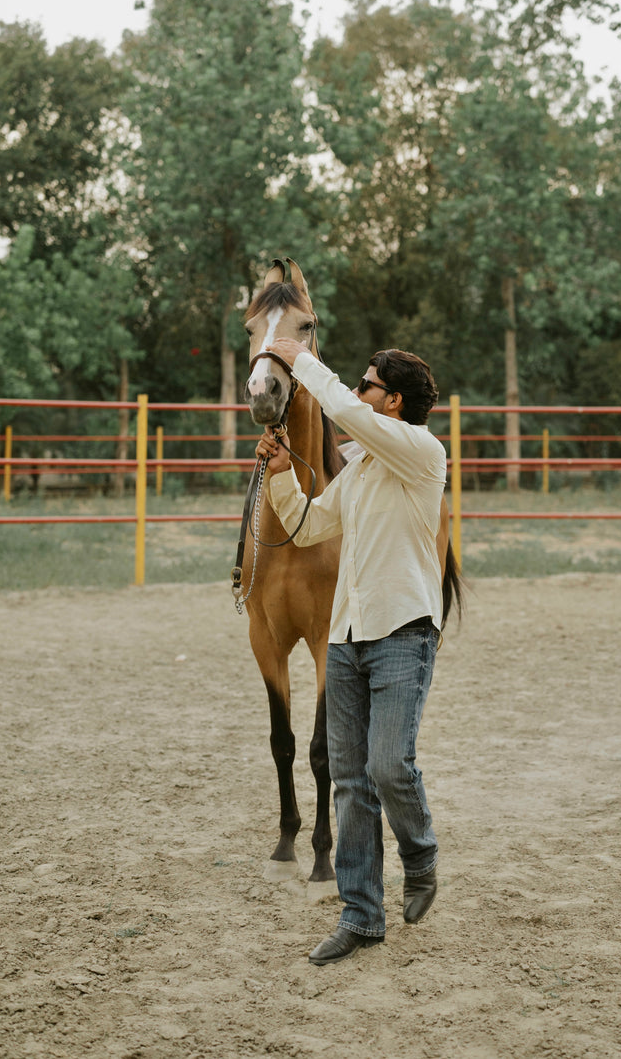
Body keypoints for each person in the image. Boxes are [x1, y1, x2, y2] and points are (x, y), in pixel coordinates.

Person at [255, 342, 449, 966]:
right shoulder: (362, 469)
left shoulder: (422, 453)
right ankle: (362, 915)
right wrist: (283, 473)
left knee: (390, 767)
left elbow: (342, 408)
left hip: (402, 633)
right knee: (350, 784)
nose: (359, 392)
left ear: (392, 400)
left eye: (368, 385)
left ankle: (419, 855)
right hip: (347, 638)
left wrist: (302, 361)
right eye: (360, 384)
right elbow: (310, 526)